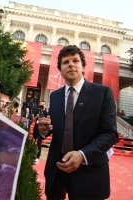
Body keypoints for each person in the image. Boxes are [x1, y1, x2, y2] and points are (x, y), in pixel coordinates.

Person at [38, 45, 118, 200]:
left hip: (89, 171)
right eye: (65, 62)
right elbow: (56, 127)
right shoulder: (55, 96)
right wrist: (44, 129)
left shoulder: (102, 93)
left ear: (83, 67)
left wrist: (83, 155)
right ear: (60, 70)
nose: (71, 64)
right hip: (57, 169)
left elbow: (110, 134)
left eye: (75, 60)